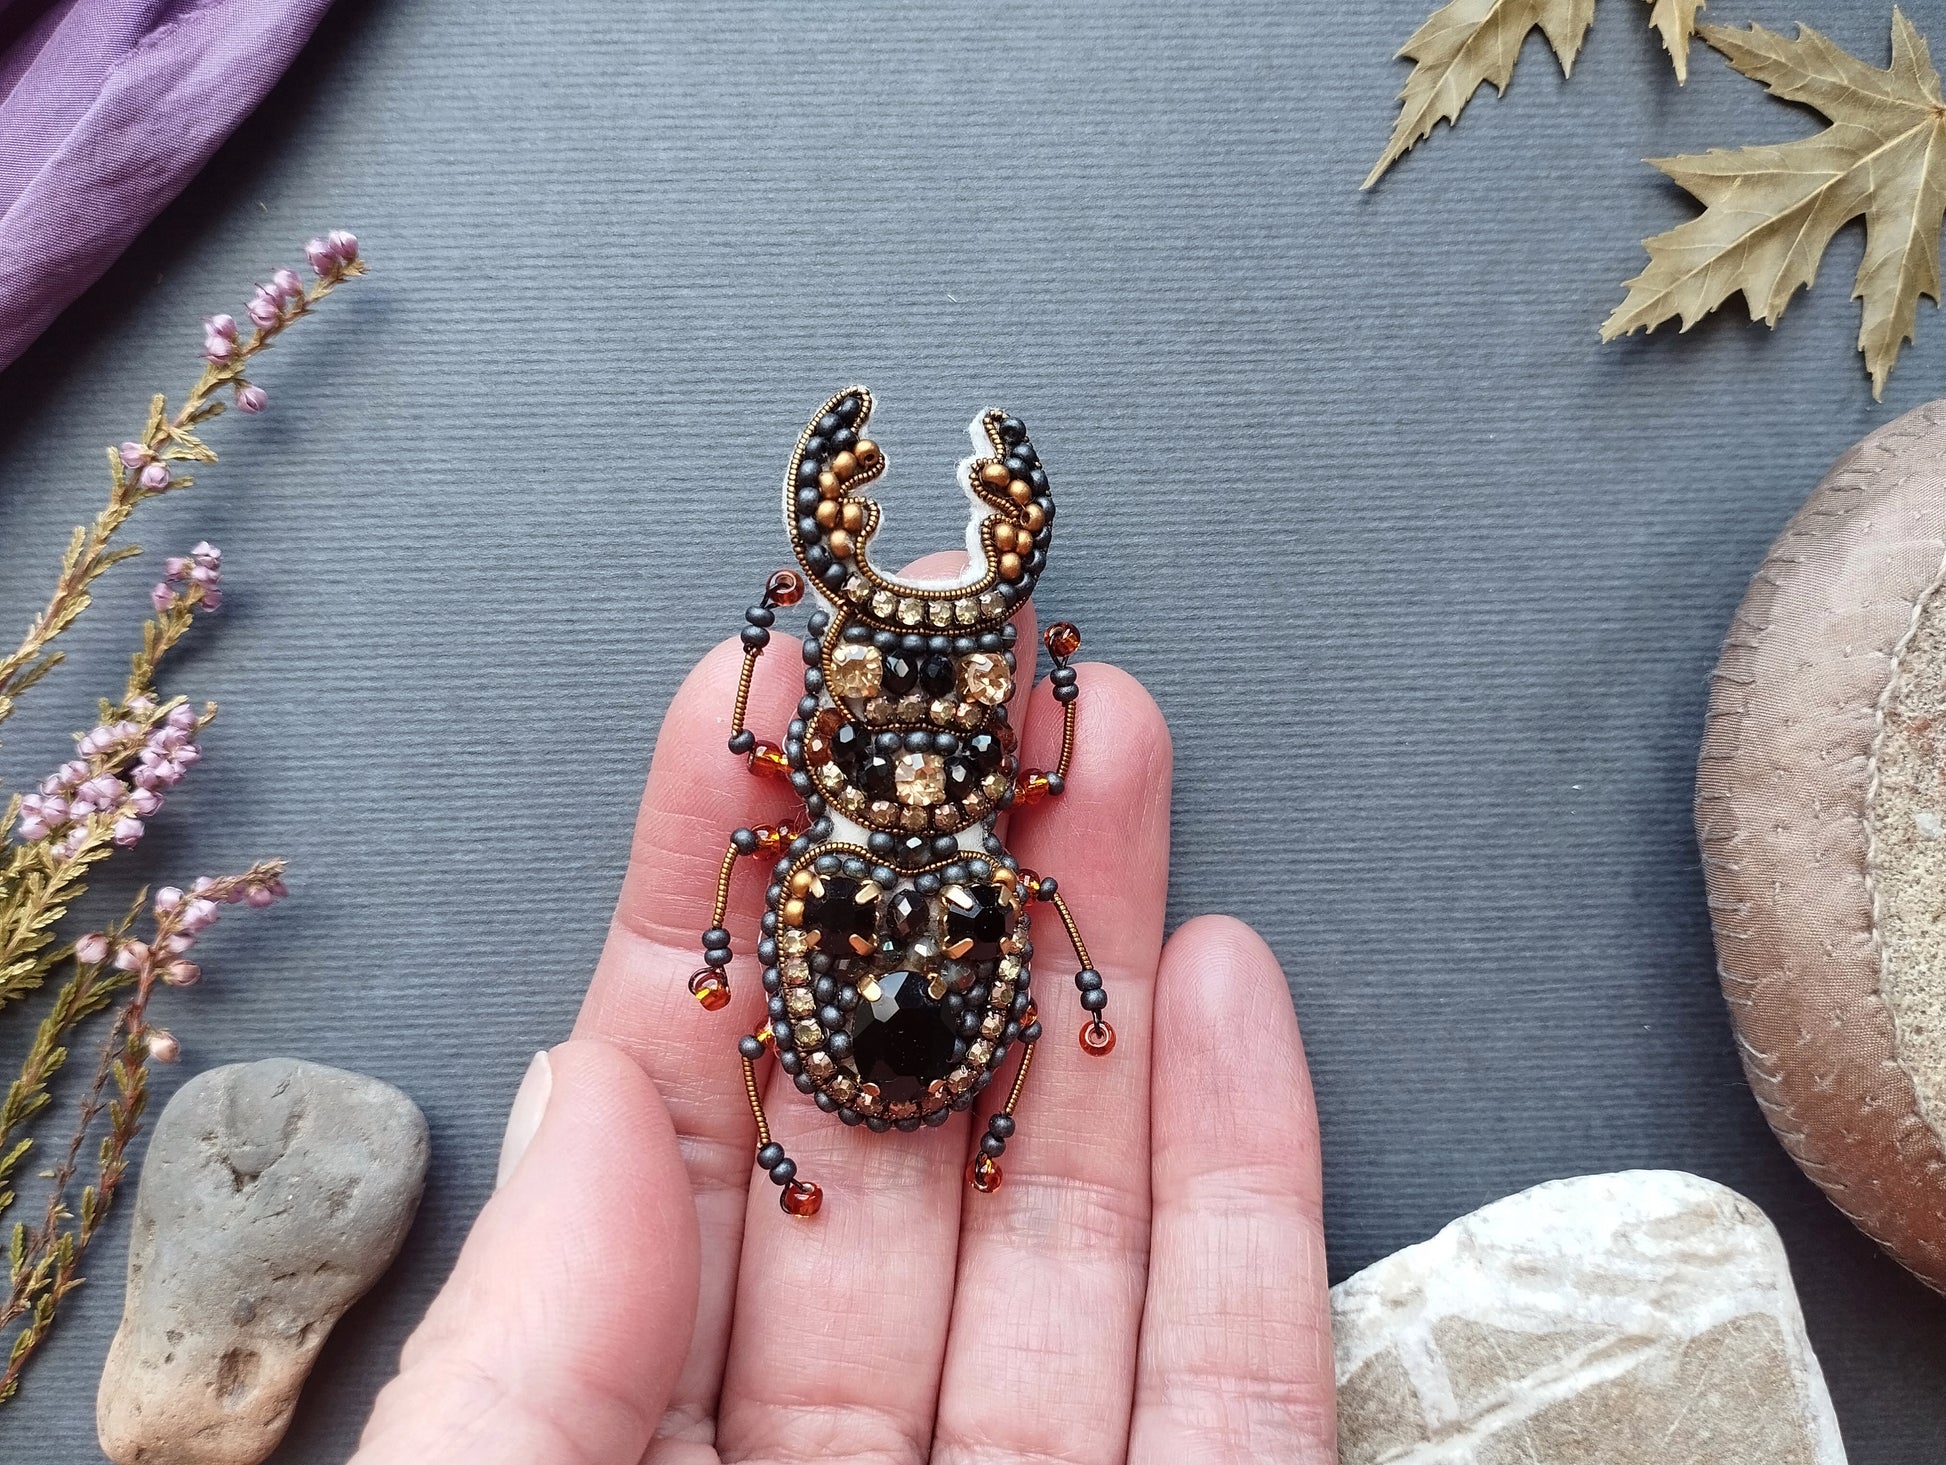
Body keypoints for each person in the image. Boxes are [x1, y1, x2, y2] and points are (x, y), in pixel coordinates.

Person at [349, 587, 1335, 1464]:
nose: (911, 780)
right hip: (879, 989)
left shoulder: (897, 860)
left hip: (912, 988)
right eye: (879, 752)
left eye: (945, 755)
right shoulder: (839, 855)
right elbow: (750, 761)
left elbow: (766, 760)